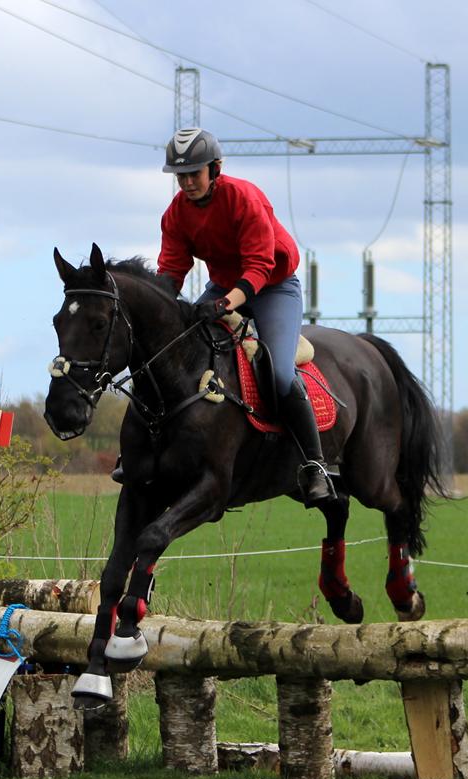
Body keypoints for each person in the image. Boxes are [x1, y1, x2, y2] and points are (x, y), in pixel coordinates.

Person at [115, 127, 335, 506]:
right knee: (168, 352)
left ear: (215, 169)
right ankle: (138, 451)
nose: (187, 183)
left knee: (281, 374)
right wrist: (160, 310)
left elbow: (260, 266)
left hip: (273, 287)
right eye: (181, 176)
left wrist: (225, 304)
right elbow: (171, 271)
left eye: (194, 174)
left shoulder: (244, 198)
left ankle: (315, 465)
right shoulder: (176, 214)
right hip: (223, 288)